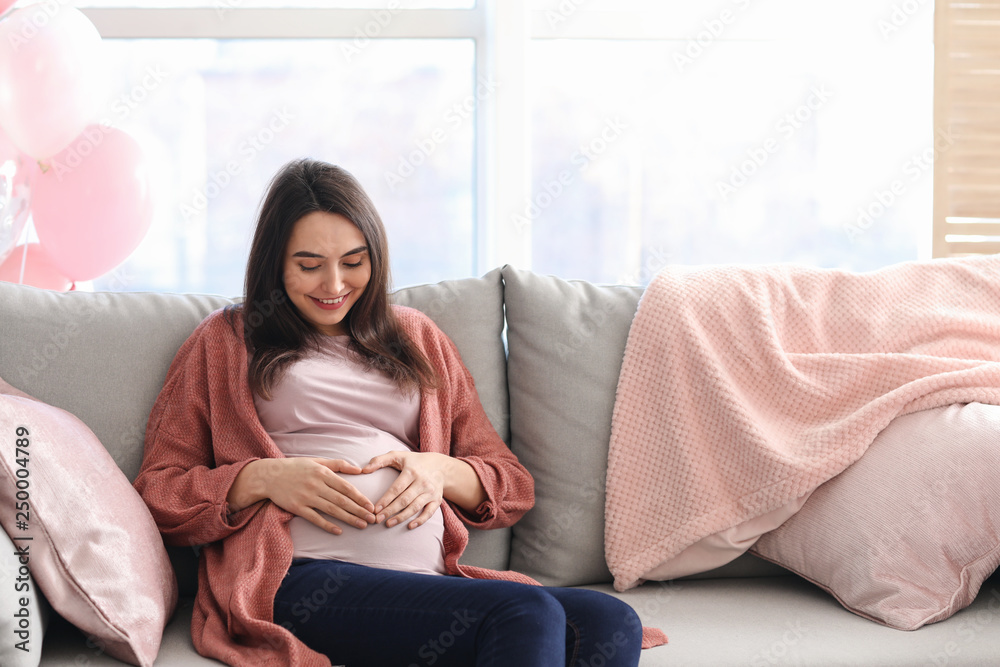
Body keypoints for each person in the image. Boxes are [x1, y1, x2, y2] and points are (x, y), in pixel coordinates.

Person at [134, 158, 655, 666]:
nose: (333, 285)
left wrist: (441, 469)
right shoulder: (226, 341)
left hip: (426, 588)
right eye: (309, 265)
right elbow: (159, 491)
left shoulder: (417, 337)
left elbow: (511, 487)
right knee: (523, 611)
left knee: (610, 622)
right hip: (300, 579)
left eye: (353, 262)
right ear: (274, 263)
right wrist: (260, 478)